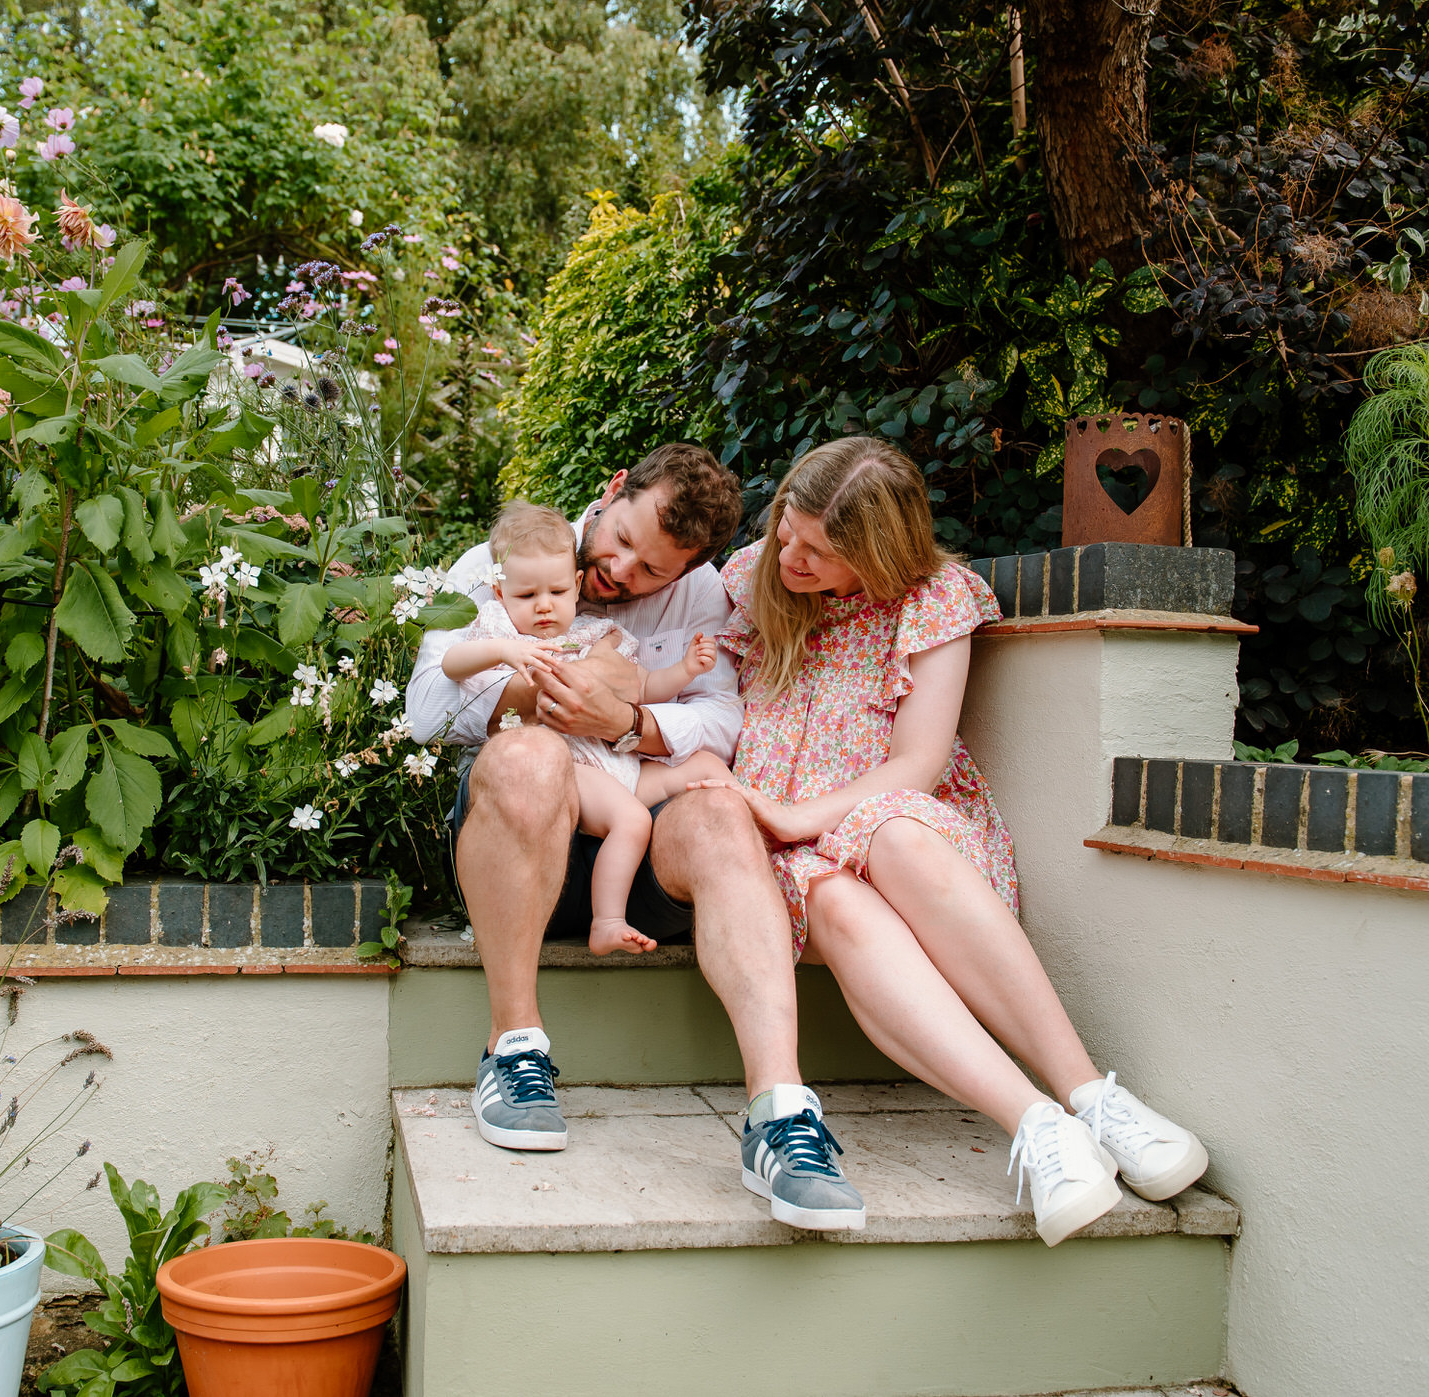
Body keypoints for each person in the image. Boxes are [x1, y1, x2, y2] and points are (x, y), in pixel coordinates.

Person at [695, 437, 1211, 1246]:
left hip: (905, 827)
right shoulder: (746, 580)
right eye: (787, 531)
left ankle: (1091, 1096)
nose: (787, 556)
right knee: (834, 899)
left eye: (818, 550)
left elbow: (918, 763)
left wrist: (808, 813)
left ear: (877, 550)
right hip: (793, 858)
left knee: (892, 830)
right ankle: (1037, 1123)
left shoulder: (933, 599)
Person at [408, 443, 869, 1231]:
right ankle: (514, 1046)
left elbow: (724, 722)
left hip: (636, 836)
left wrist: (627, 721)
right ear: (615, 488)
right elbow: (424, 710)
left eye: (653, 570)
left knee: (723, 807)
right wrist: (540, 690)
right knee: (527, 756)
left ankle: (782, 1117)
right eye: (621, 541)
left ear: (687, 567)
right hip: (516, 842)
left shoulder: (699, 599)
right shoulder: (502, 559)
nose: (623, 572)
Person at [440, 501, 727, 956]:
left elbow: (646, 686)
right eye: (525, 596)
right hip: (567, 771)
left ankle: (747, 873)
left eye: (556, 592)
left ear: (575, 586)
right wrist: (502, 652)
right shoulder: (498, 628)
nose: (542, 607)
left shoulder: (596, 634)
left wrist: (687, 670)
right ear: (500, 594)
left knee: (707, 765)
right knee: (631, 821)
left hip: (616, 763)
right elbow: (451, 664)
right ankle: (607, 920)